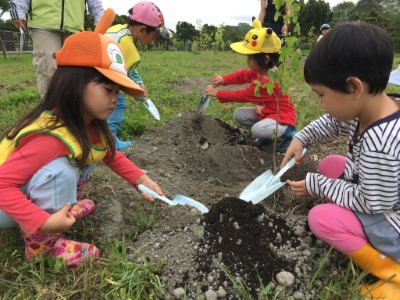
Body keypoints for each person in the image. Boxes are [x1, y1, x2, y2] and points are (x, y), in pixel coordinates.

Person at [0, 30, 164, 267]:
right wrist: (42, 222)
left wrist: (141, 179)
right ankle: (43, 247)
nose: (115, 99)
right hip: (5, 206)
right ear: (74, 84)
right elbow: (2, 185)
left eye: (117, 92)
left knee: (91, 153)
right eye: (108, 90)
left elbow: (110, 155)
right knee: (60, 170)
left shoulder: (87, 124)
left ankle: (64, 208)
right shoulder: (49, 137)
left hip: (18, 193)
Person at [281, 22, 400, 298]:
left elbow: (371, 203)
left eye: (322, 95)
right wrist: (302, 138)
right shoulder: (372, 106)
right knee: (331, 164)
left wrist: (317, 185)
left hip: (390, 220)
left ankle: (390, 270)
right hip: (382, 193)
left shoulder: (381, 144)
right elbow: (332, 123)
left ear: (353, 87)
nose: (320, 103)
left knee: (321, 218)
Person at [205, 18, 296, 153]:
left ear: (265, 59)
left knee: (257, 130)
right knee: (239, 114)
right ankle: (268, 135)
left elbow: (242, 95)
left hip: (282, 118)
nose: (247, 61)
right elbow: (242, 75)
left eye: (250, 58)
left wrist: (217, 93)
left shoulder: (269, 80)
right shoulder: (260, 71)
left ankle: (290, 134)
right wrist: (223, 80)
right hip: (266, 114)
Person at [105, 1, 172, 150]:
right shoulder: (129, 47)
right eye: (154, 37)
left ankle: (99, 135)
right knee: (118, 102)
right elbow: (124, 76)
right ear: (142, 29)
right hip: (102, 79)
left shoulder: (120, 30)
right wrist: (138, 92)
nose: (153, 41)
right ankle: (110, 140)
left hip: (91, 76)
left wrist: (139, 83)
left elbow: (128, 68)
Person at [9, 0, 104, 99]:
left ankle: (71, 109)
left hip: (74, 25)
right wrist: (17, 10)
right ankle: (50, 110)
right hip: (43, 23)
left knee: (74, 73)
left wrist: (100, 17)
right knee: (48, 69)